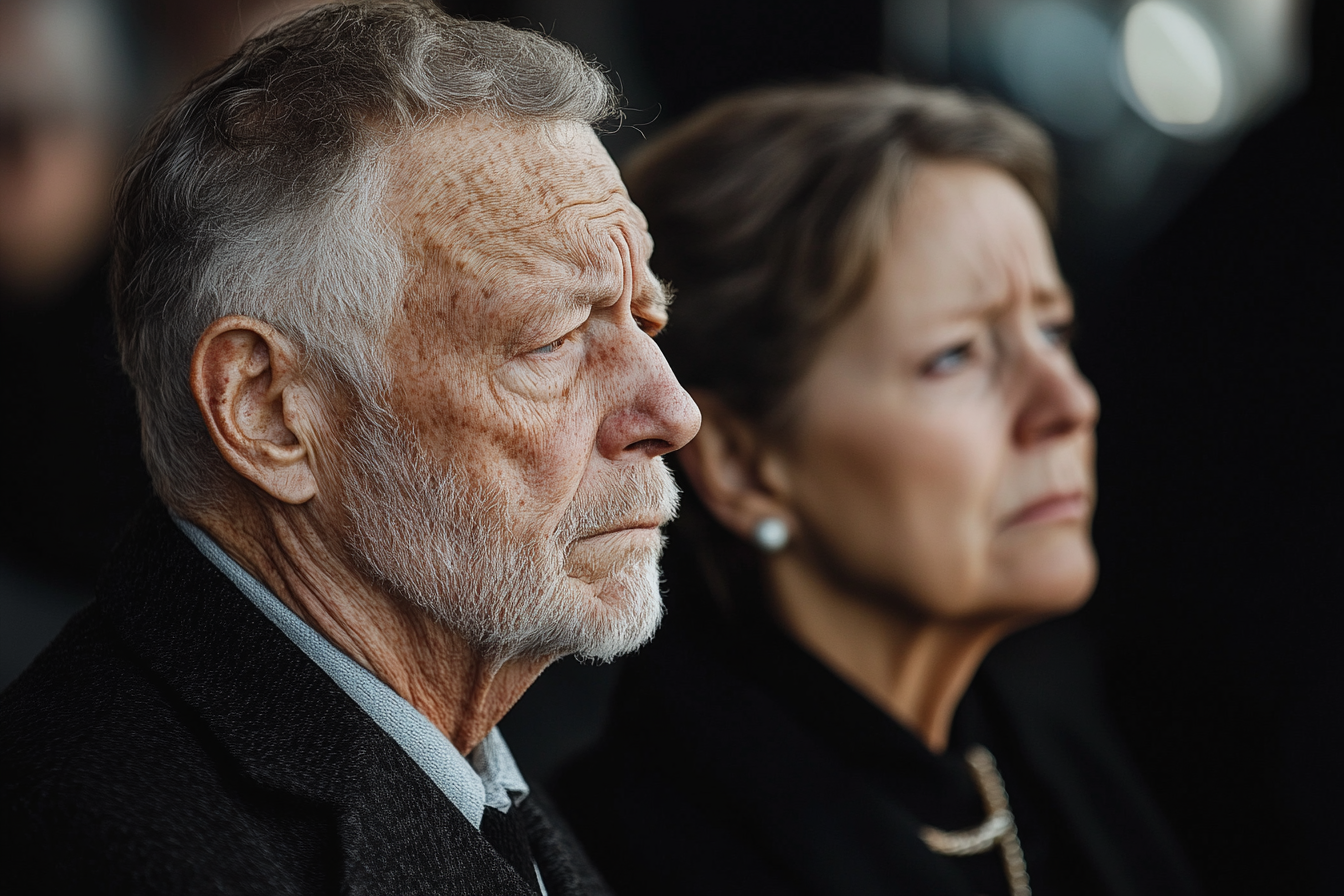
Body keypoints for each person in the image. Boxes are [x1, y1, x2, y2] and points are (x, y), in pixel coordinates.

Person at [0, 2, 699, 893]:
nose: (672, 412)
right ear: (269, 411)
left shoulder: (457, 756)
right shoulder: (99, 845)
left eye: (646, 318)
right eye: (552, 340)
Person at [553, 80, 1200, 896]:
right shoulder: (639, 854)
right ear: (744, 467)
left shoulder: (1057, 756)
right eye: (955, 355)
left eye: (1052, 330)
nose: (1069, 403)